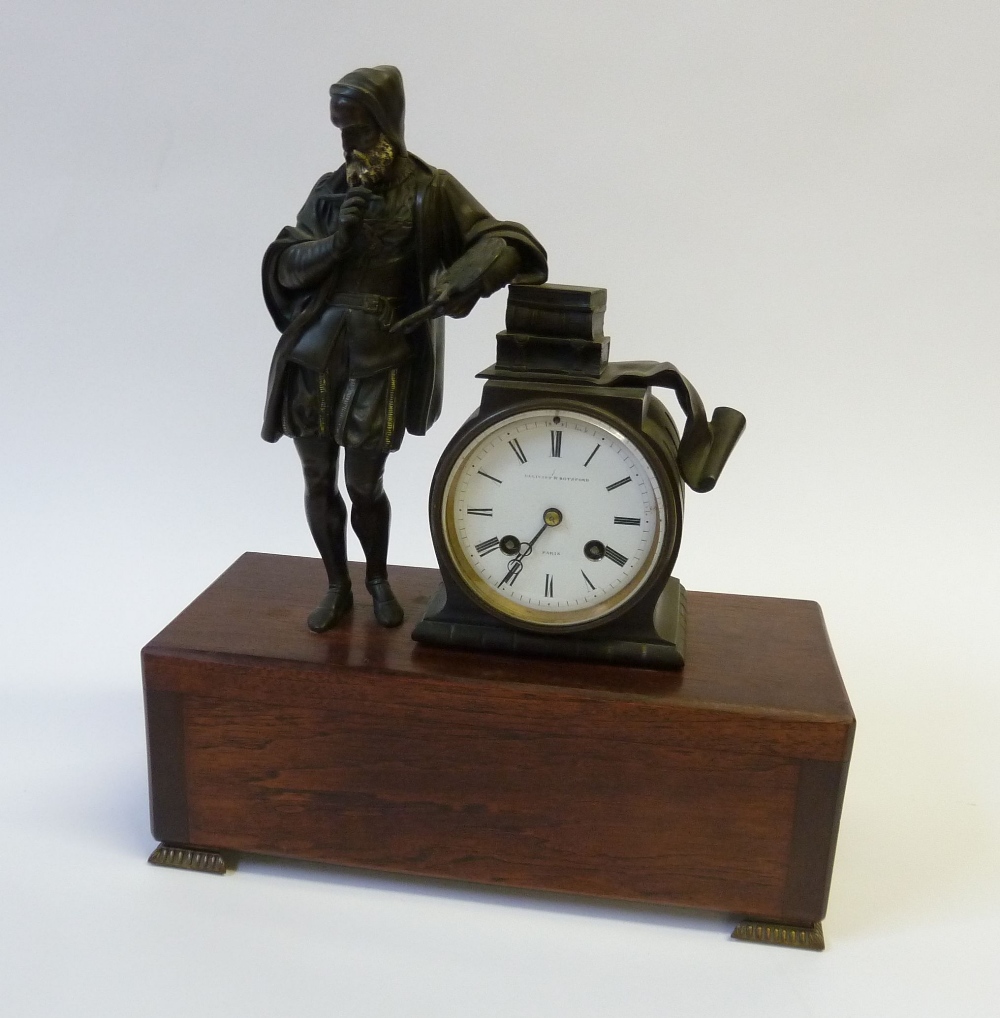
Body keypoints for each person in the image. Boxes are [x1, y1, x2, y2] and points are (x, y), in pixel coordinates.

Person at [262, 65, 547, 632]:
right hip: (312, 356)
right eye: (341, 131)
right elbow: (283, 263)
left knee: (365, 484)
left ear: (387, 125)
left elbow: (506, 241)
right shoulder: (329, 192)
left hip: (380, 356)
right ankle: (337, 585)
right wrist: (333, 245)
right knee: (317, 478)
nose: (349, 144)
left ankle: (377, 580)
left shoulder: (430, 190)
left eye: (360, 129)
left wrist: (465, 276)